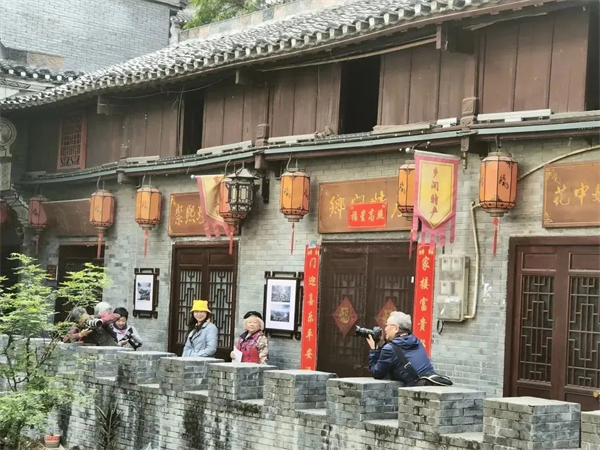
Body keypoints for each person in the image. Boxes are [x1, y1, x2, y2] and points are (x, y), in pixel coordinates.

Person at [366, 311, 435, 386]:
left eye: (387, 325)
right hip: (431, 385)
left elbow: (377, 373)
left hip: (415, 390)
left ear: (396, 328)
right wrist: (381, 345)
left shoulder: (390, 349)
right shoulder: (416, 341)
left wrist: (374, 350)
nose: (385, 329)